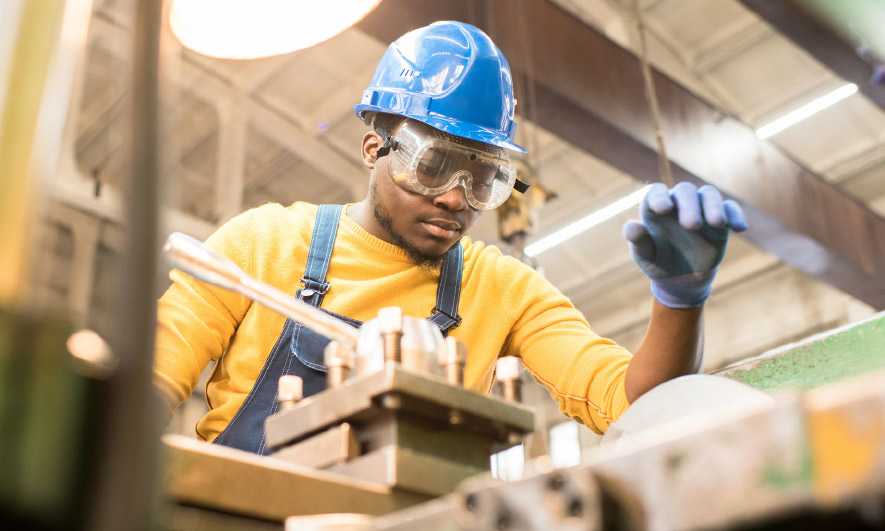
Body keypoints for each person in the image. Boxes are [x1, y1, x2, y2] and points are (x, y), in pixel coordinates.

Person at [153, 21, 747, 455]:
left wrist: (678, 303)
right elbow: (148, 386)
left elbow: (632, 404)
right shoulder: (259, 247)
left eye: (484, 178)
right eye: (433, 165)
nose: (457, 198)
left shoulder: (505, 289)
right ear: (373, 148)